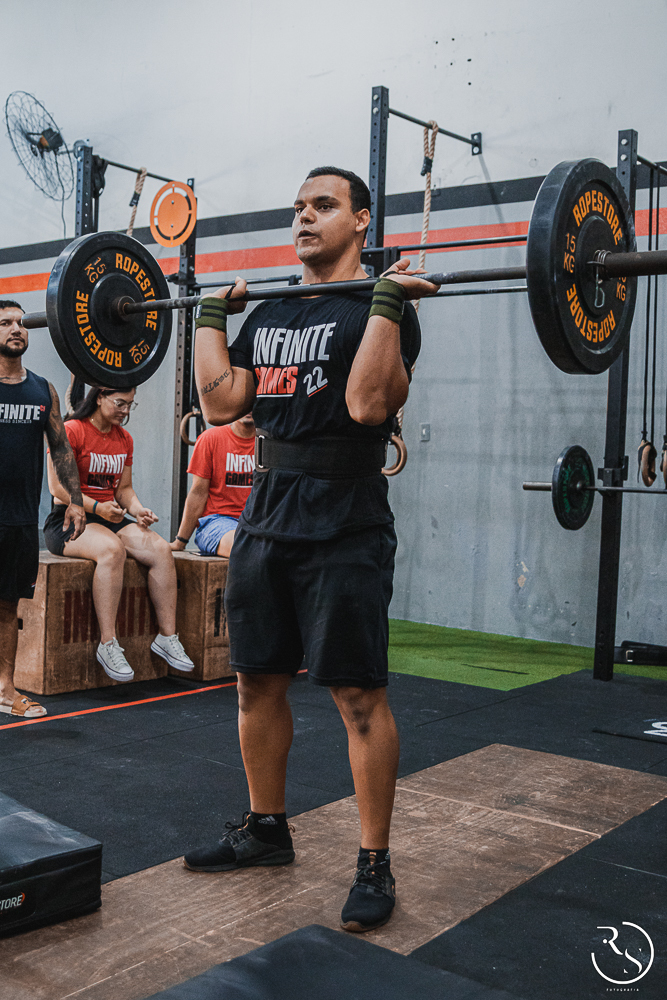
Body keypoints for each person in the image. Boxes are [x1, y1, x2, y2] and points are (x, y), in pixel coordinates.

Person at [185, 167, 437, 933]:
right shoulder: (272, 313)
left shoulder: (382, 307)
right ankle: (266, 830)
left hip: (345, 518)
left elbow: (366, 403)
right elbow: (223, 403)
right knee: (254, 682)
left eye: (323, 205)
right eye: (297, 207)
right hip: (267, 516)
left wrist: (386, 302)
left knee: (357, 695)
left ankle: (373, 862)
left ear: (360, 221)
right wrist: (208, 317)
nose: (303, 217)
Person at [44, 385, 195, 682]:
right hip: (69, 518)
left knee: (160, 549)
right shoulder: (72, 430)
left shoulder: (124, 438)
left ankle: (167, 637)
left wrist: (138, 510)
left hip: (108, 515)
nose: (125, 411)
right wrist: (98, 508)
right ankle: (108, 644)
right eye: (120, 403)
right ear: (99, 397)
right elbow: (57, 488)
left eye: (130, 405)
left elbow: (123, 490)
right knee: (112, 550)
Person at [0, 300, 86, 718]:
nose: (16, 328)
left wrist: (75, 500)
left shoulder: (42, 390)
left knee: (7, 607)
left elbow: (61, 448)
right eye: (5, 323)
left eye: (21, 322)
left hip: (18, 520)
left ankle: (4, 690)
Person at [170, 412, 255, 558]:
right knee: (246, 547)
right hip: (217, 522)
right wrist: (180, 541)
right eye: (244, 403)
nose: (248, 409)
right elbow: (198, 493)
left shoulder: (270, 442)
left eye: (253, 403)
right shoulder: (211, 438)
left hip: (257, 523)